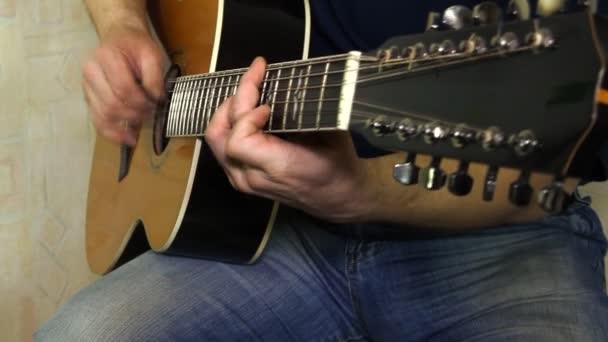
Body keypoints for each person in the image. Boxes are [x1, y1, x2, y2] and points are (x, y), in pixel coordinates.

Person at [36, 0, 608, 340]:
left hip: (500, 235)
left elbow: (571, 143)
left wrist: (362, 193)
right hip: (274, 230)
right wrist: (122, 25)